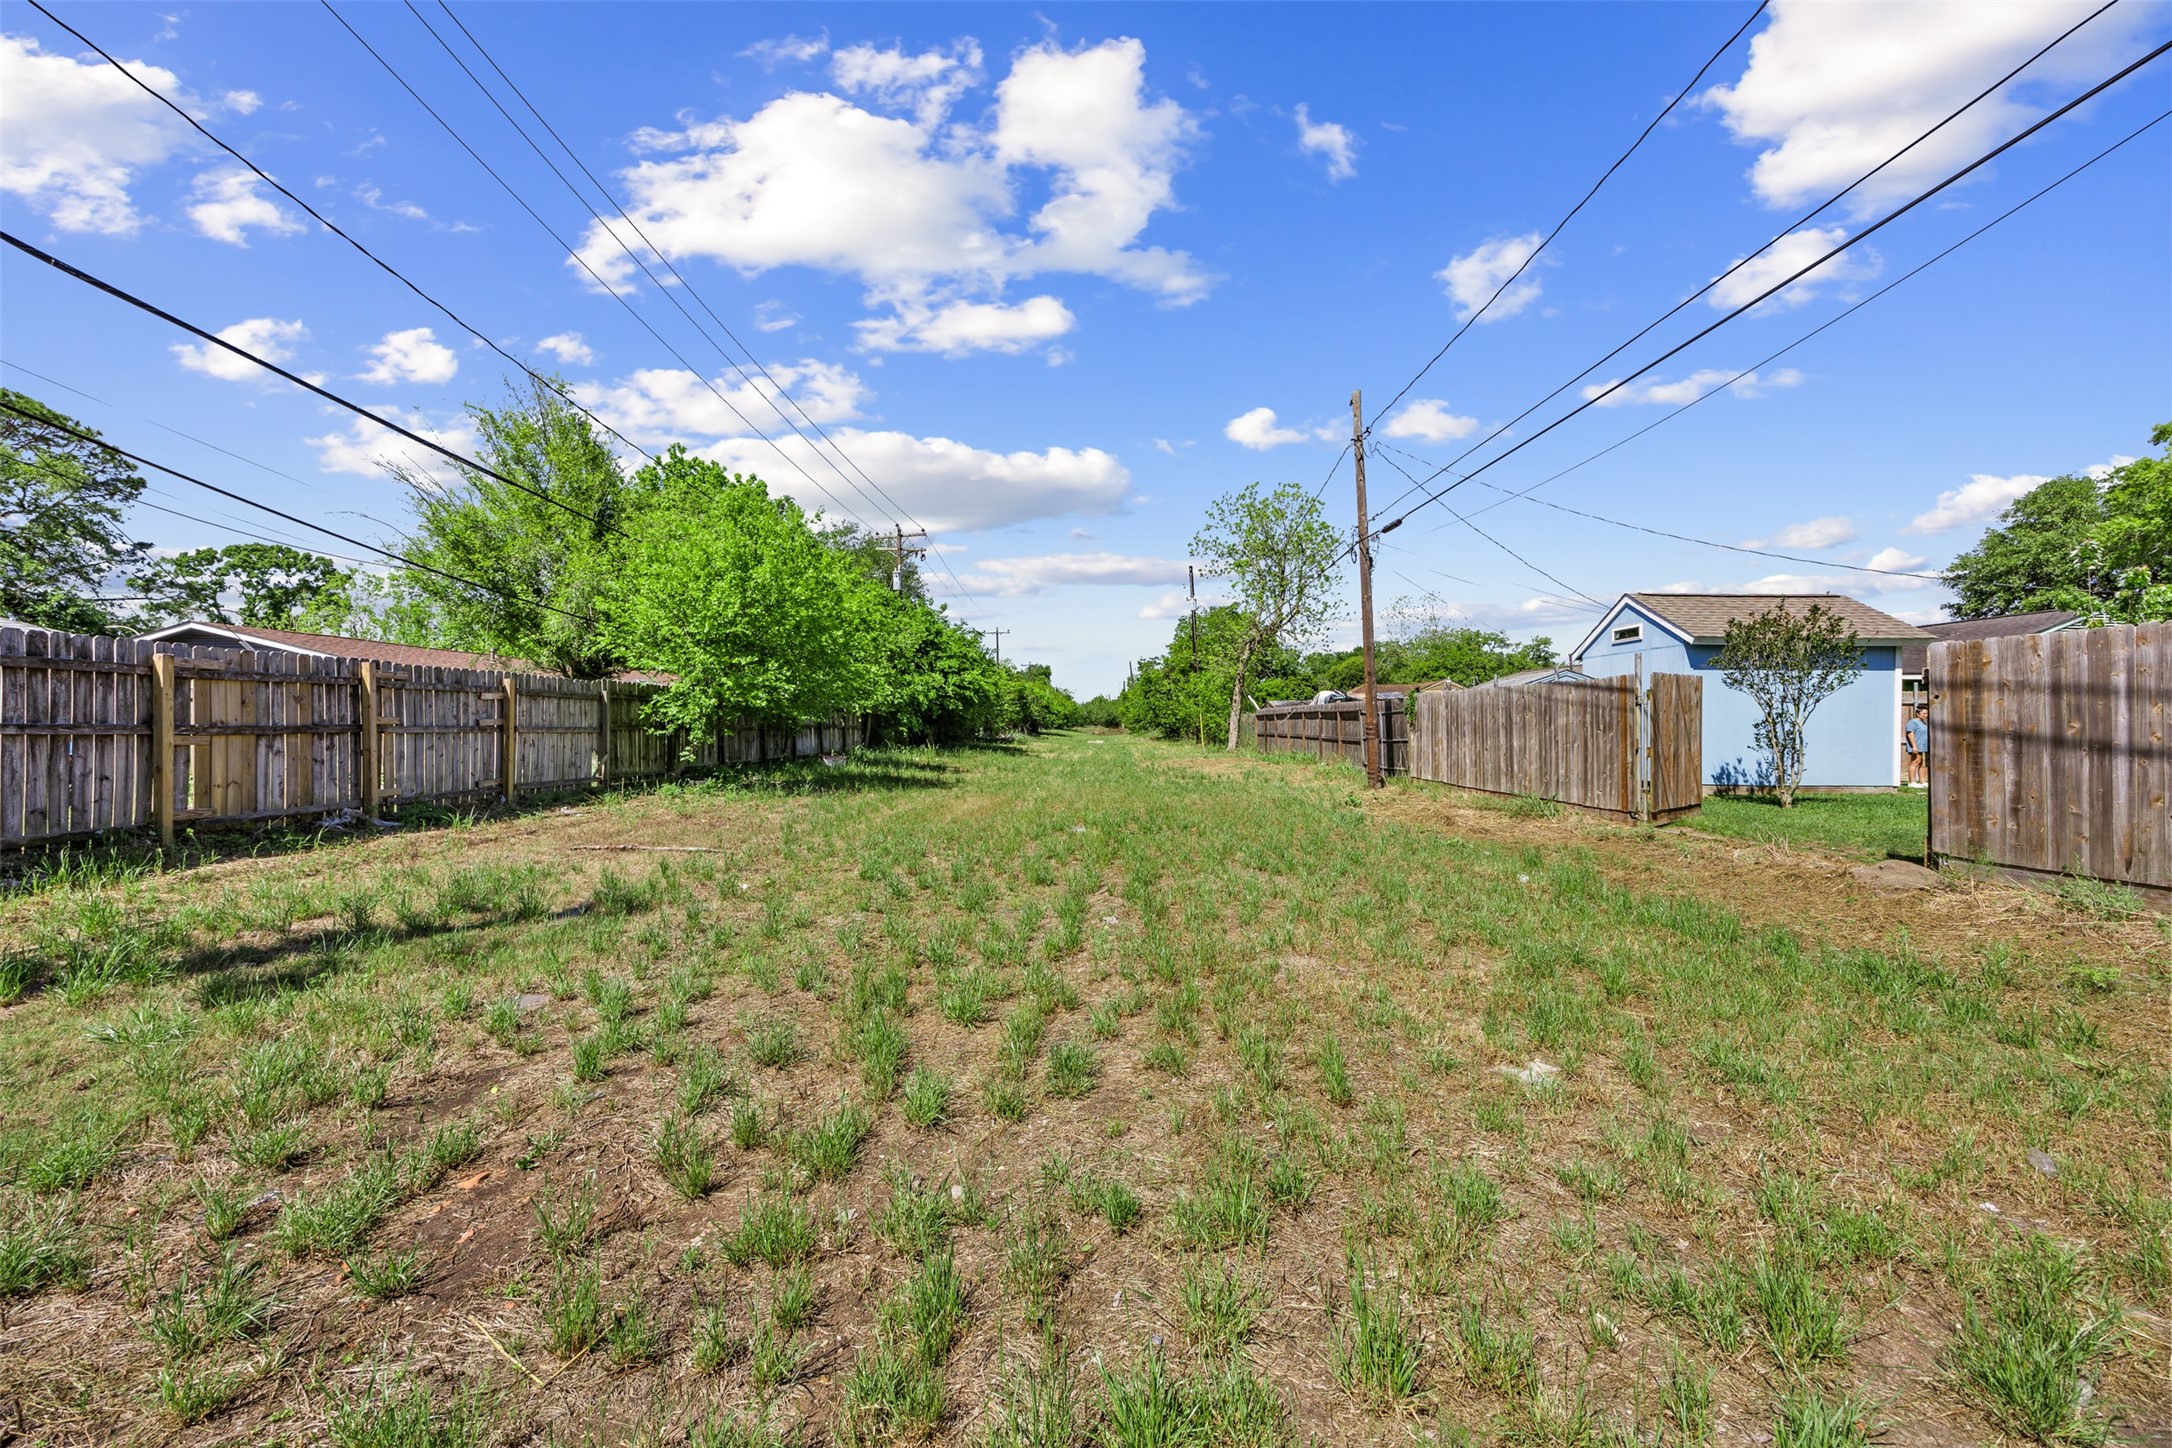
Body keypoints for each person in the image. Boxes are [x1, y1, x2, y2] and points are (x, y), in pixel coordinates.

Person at [1904, 704, 1929, 788]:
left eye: (1926, 713)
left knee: (1923, 764)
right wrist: (1914, 746)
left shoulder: (1924, 723)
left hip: (1924, 746)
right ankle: (1912, 782)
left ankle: (1922, 782)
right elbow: (1910, 734)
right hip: (1916, 746)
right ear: (1918, 714)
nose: (1926, 715)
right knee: (1915, 762)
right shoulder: (1913, 722)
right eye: (1924, 713)